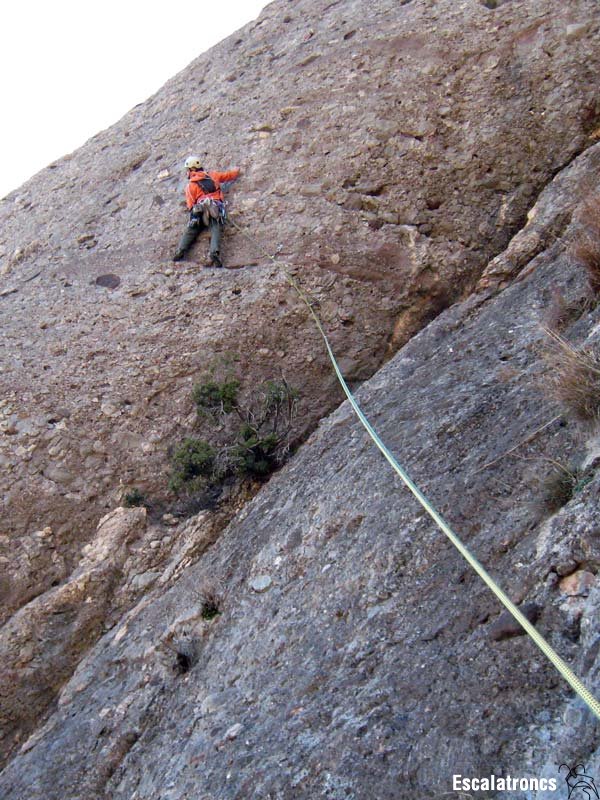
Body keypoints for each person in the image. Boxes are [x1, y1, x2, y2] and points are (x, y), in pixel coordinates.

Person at [173, 157, 240, 267]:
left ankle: (180, 251)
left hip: (200, 209)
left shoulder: (190, 186)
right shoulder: (212, 176)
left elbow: (190, 205)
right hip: (214, 207)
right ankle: (214, 252)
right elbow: (227, 176)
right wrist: (236, 171)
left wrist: (194, 217)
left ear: (192, 170)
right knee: (216, 226)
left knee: (191, 229)